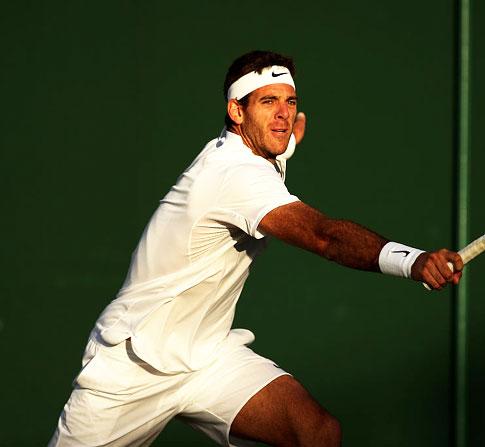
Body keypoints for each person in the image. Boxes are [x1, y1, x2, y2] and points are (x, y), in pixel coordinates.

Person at [49, 50, 463, 447]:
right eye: (268, 102)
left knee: (315, 432)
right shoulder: (232, 175)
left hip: (207, 355)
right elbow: (325, 237)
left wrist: (291, 138)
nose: (283, 113)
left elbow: (280, 145)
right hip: (134, 362)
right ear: (236, 111)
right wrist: (414, 261)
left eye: (290, 101)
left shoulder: (258, 148)